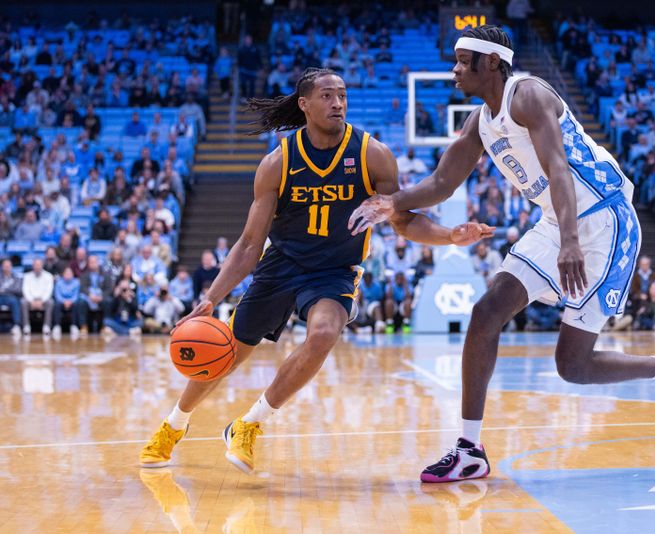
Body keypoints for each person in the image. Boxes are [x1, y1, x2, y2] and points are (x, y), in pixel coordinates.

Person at [348, 26, 655, 483]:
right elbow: (441, 183)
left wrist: (571, 240)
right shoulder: (480, 121)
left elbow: (558, 166)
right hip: (557, 221)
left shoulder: (529, 94)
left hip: (601, 220)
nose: (454, 70)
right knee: (486, 310)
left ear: (491, 63)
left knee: (572, 366)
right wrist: (390, 204)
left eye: (463, 60)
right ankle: (469, 448)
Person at [139, 67, 492, 473]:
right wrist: (210, 298)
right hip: (282, 264)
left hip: (335, 269)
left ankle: (249, 425)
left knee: (324, 333)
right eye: (326, 96)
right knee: (227, 352)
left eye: (342, 95)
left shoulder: (372, 155)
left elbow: (404, 221)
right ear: (304, 104)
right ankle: (174, 424)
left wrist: (450, 235)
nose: (337, 103)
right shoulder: (278, 162)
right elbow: (250, 243)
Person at [21, 258, 55, 337]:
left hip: (43, 300)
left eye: (39, 265)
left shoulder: (49, 276)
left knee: (51, 302)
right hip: (30, 300)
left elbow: (49, 291)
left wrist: (41, 301)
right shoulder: (27, 276)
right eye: (35, 265)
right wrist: (31, 301)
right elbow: (25, 290)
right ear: (33, 266)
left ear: (42, 265)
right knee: (23, 302)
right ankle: (26, 326)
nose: (37, 267)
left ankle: (47, 326)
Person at [0, 259, 23, 337]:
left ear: (11, 267)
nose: (6, 267)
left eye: (8, 266)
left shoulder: (16, 277)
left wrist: (4, 290)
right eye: (5, 266)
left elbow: (18, 289)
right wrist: (8, 290)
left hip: (10, 297)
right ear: (2, 267)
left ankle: (16, 325)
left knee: (14, 301)